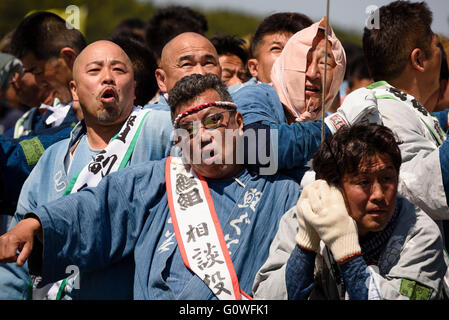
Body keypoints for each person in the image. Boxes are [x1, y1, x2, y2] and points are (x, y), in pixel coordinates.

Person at [0, 73, 302, 300]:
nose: (203, 137)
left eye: (214, 121)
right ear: (178, 141)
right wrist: (37, 225)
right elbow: (96, 208)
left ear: (238, 122)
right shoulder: (158, 179)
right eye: (188, 130)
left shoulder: (285, 191)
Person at [0, 40, 173, 300]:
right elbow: (17, 255)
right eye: (94, 71)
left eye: (119, 70)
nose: (108, 78)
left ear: (134, 87)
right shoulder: (53, 159)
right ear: (75, 90)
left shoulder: (160, 129)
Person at [253, 123, 448, 300]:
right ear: (335, 187)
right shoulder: (303, 217)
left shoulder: (421, 233)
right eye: (363, 182)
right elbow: (264, 298)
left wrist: (348, 255)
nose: (379, 194)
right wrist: (306, 246)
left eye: (387, 178)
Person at [232, 18, 376, 182]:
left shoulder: (326, 121)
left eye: (325, 63)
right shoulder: (253, 95)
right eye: (303, 61)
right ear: (285, 64)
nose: (313, 73)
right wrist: (337, 123)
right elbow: (258, 148)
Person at [344, 1, 449, 221]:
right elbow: (422, 189)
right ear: (419, 59)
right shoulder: (382, 111)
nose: (442, 55)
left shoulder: (394, 104)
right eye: (437, 45)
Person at [0, 11, 84, 218]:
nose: (38, 82)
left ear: (67, 58)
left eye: (37, 71)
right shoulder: (43, 120)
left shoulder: (103, 121)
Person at [149, 32, 221, 111]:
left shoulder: (233, 115)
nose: (201, 73)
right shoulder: (150, 121)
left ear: (220, 72)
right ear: (162, 80)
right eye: (187, 64)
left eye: (208, 63)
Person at [246, 12, 312, 85]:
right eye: (277, 49)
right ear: (254, 68)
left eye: (298, 50)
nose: (288, 56)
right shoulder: (241, 95)